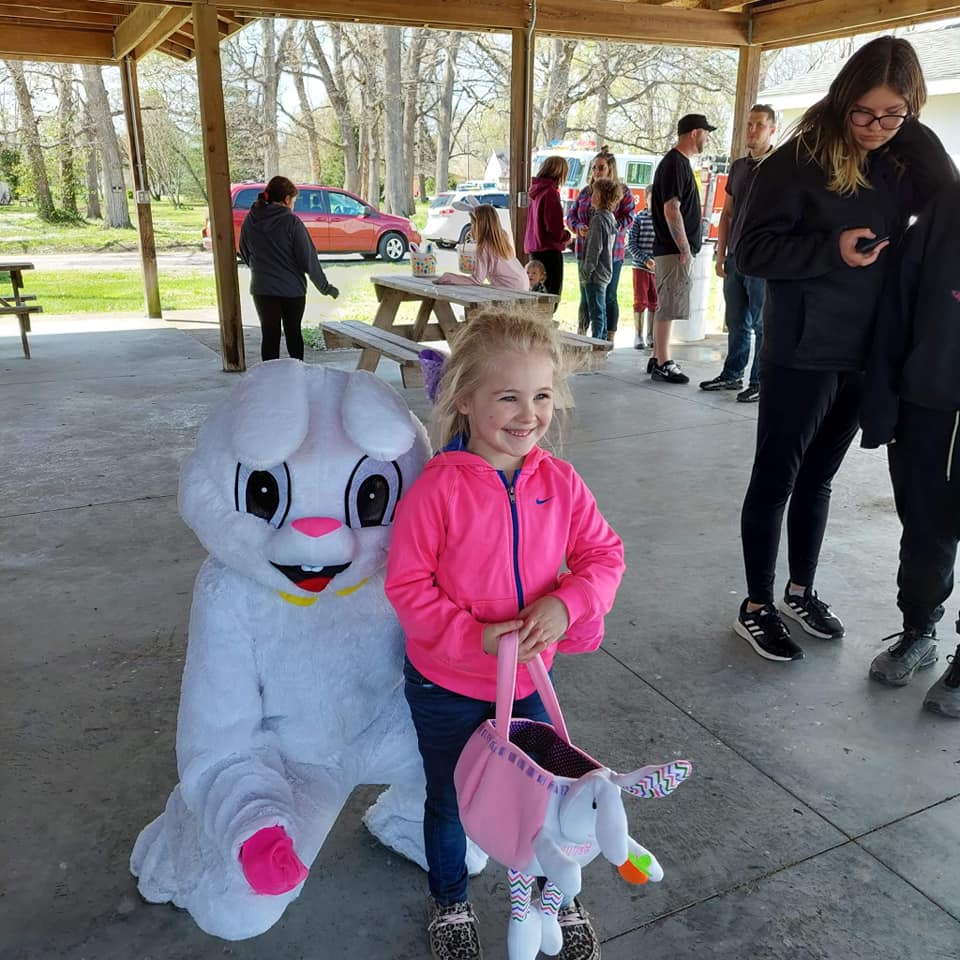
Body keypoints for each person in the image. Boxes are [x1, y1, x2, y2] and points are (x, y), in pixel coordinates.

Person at [384, 308, 625, 960]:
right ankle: (450, 901)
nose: (529, 414)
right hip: (446, 685)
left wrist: (568, 605)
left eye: (542, 396)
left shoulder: (561, 483)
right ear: (464, 398)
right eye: (508, 397)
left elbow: (604, 556)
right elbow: (408, 587)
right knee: (450, 798)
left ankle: (555, 895)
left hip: (528, 682)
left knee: (545, 794)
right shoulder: (436, 492)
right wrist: (476, 638)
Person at [731, 36, 955, 663]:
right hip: (802, 348)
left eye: (892, 114)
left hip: (866, 350)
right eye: (863, 113)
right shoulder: (796, 160)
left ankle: (800, 590)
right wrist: (830, 249)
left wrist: (911, 130)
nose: (875, 127)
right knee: (776, 478)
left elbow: (948, 197)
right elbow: (750, 252)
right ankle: (756, 604)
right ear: (841, 100)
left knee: (819, 479)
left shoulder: (898, 158)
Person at [860, 180, 960, 716]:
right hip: (929, 405)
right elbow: (897, 309)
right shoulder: (945, 211)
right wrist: (884, 402)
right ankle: (919, 629)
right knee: (924, 526)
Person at [699, 105, 777, 402]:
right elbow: (727, 213)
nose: (752, 130)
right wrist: (721, 254)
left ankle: (759, 381)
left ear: (772, 130)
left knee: (761, 323)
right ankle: (732, 374)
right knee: (736, 321)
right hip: (735, 256)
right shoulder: (739, 167)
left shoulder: (780, 167)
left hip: (762, 259)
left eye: (759, 125)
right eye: (749, 124)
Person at [238, 176, 340, 362]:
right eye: (293, 200)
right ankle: (296, 373)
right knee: (293, 334)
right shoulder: (291, 222)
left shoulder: (251, 219)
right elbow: (308, 259)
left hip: (262, 289)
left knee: (270, 336)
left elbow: (244, 250)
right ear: (286, 199)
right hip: (292, 291)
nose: (293, 205)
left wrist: (259, 268)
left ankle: (270, 375)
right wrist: (326, 287)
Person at [648, 114, 715, 384]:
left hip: (672, 249)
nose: (707, 139)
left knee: (668, 303)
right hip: (672, 249)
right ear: (694, 133)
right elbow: (671, 208)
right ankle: (663, 362)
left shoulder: (678, 163)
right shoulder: (675, 163)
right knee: (669, 305)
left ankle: (657, 355)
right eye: (705, 133)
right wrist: (684, 246)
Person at [568, 148, 636, 342]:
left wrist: (609, 228)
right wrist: (578, 227)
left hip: (611, 254)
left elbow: (630, 218)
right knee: (586, 295)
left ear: (610, 169)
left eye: (600, 168)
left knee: (608, 296)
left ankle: (607, 337)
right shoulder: (585, 192)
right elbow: (571, 215)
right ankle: (582, 334)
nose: (596, 172)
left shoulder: (622, 192)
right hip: (584, 251)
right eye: (594, 168)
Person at [436, 204, 528, 291]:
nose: (471, 227)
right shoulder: (502, 238)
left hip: (511, 289)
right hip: (522, 284)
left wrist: (449, 277)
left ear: (479, 225)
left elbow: (476, 280)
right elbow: (491, 222)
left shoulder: (483, 248)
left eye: (472, 223)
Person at [579, 178, 622, 340]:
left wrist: (586, 271)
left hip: (595, 274)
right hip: (605, 272)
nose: (591, 196)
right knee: (601, 310)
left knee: (596, 313)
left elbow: (594, 249)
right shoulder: (610, 217)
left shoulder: (598, 220)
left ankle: (597, 342)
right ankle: (602, 341)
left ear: (600, 196)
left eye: (594, 193)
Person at [525, 156, 571, 301]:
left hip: (535, 249)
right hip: (549, 250)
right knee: (551, 297)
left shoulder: (536, 191)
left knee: (537, 293)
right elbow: (553, 227)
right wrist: (566, 236)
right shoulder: (550, 193)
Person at [626, 191, 657, 350]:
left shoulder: (663, 220)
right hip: (640, 267)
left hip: (657, 269)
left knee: (655, 302)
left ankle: (650, 334)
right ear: (646, 201)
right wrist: (646, 260)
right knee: (640, 301)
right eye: (652, 199)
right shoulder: (639, 218)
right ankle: (638, 335)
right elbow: (631, 244)